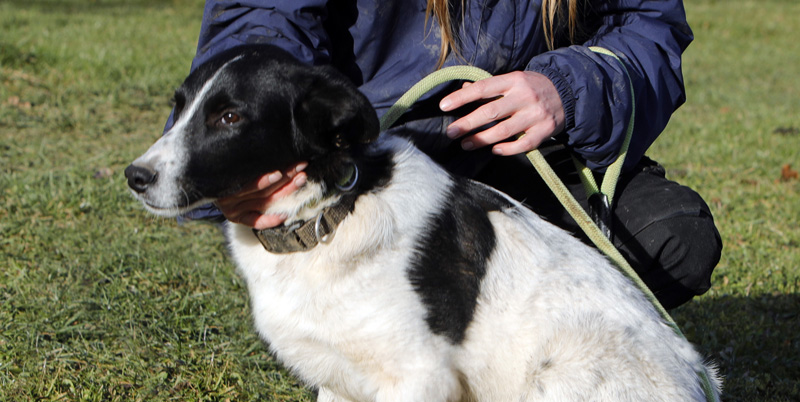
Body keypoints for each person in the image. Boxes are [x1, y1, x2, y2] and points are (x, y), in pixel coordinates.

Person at [178, 0, 722, 309]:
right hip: (371, 182)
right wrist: (266, 133)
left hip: (523, 167)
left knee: (672, 236)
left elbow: (648, 26)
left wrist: (568, 89)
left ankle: (509, 377)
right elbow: (263, 15)